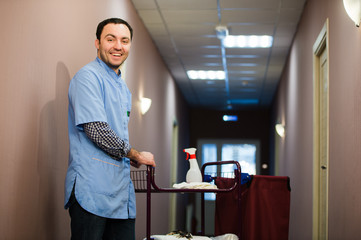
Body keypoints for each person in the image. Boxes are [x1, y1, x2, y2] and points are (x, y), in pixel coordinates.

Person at [64, 18, 156, 240]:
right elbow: (96, 130)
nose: (118, 46)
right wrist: (134, 153)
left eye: (124, 40)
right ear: (97, 43)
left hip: (120, 194)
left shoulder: (122, 87)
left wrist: (127, 156)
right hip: (92, 192)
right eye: (110, 39)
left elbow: (116, 134)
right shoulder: (88, 77)